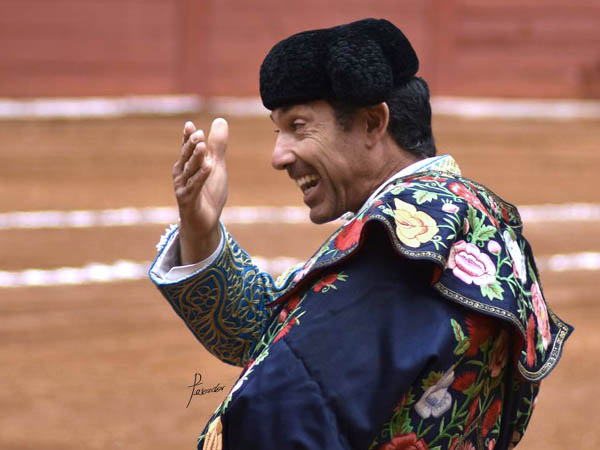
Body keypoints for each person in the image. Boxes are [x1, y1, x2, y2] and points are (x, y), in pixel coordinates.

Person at [149, 18, 573, 450]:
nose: (279, 156)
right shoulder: (480, 215)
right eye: (279, 130)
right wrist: (201, 231)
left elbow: (285, 407)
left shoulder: (393, 247)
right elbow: (275, 336)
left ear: (372, 123)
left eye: (299, 126)